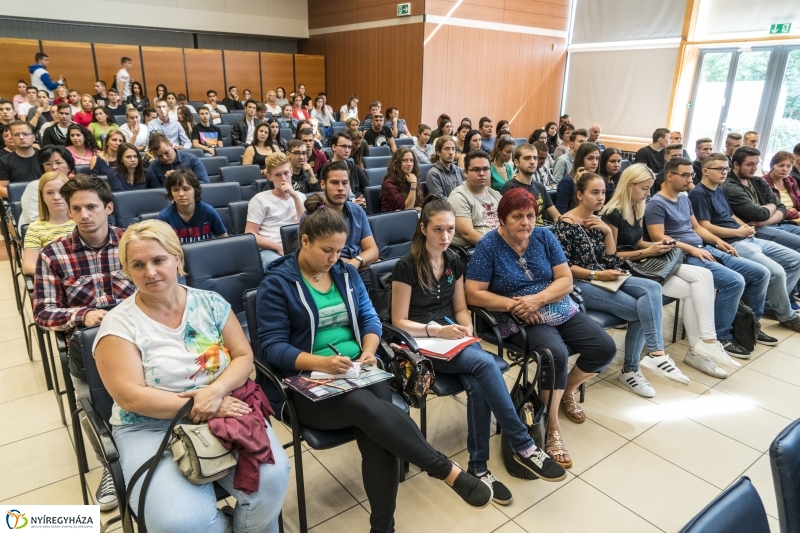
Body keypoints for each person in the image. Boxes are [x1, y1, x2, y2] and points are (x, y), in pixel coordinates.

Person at [257, 194, 496, 532]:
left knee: (379, 436)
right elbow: (272, 348)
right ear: (305, 241)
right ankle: (445, 471)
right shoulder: (277, 285)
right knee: (372, 412)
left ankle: (382, 528)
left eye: (340, 251)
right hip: (307, 384)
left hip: (358, 368)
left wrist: (369, 349)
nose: (334, 259)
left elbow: (370, 319)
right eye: (327, 251)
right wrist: (322, 364)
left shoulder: (344, 273)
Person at [94, 219, 289, 532]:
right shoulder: (119, 325)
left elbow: (243, 356)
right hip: (150, 426)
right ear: (128, 271)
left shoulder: (209, 304)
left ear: (177, 259)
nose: (151, 272)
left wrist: (215, 393)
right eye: (138, 265)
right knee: (180, 523)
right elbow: (130, 396)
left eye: (158, 260)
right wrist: (201, 404)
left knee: (272, 482)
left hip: (225, 406)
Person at [392, 195, 567, 498]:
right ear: (423, 229)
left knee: (477, 383)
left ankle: (479, 468)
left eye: (449, 229)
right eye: (437, 230)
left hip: (452, 339)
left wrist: (466, 330)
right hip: (420, 342)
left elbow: (461, 308)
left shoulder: (454, 260)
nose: (445, 237)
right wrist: (436, 330)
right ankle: (522, 443)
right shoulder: (406, 266)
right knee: (486, 365)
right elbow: (399, 321)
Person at [465, 188, 616, 468]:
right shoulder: (489, 245)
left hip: (553, 305)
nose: (526, 223)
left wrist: (539, 299)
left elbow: (565, 280)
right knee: (554, 354)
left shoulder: (545, 236)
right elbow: (473, 293)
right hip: (516, 314)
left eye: (531, 216)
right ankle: (552, 426)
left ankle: (564, 392)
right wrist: (515, 305)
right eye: (518, 216)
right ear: (502, 218)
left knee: (604, 348)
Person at [34, 175, 136, 511]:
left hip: (137, 337)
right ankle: (111, 464)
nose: (83, 214)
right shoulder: (54, 254)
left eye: (91, 206)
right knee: (91, 403)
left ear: (108, 207)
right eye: (75, 208)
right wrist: (82, 315)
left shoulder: (130, 243)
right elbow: (43, 313)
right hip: (86, 348)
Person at [555, 172, 688, 396]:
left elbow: (611, 259)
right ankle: (631, 369)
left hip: (606, 276)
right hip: (581, 283)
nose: (600, 198)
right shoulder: (565, 224)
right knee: (641, 310)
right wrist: (598, 275)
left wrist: (607, 232)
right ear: (579, 195)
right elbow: (564, 269)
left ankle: (656, 353)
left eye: (603, 192)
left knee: (653, 288)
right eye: (594, 193)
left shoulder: (597, 221)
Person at [603, 163, 731, 384]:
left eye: (649, 188)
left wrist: (660, 244)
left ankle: (702, 346)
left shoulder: (637, 206)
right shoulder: (613, 213)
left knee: (700, 281)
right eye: (644, 189)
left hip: (643, 261)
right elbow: (613, 256)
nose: (648, 194)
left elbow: (638, 241)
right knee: (698, 280)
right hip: (628, 267)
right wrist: (648, 250)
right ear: (630, 185)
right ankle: (703, 345)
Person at [645, 157, 773, 358]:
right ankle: (722, 336)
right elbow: (658, 237)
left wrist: (718, 241)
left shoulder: (684, 198)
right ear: (670, 176)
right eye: (685, 175)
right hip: (683, 255)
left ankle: (750, 326)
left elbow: (696, 228)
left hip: (703, 247)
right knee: (734, 282)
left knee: (760, 273)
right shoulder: (656, 203)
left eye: (691, 174)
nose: (689, 178)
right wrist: (692, 249)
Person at [691, 152, 800, 333]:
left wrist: (746, 229)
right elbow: (704, 226)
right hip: (731, 242)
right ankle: (787, 315)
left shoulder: (720, 188)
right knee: (776, 271)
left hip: (746, 236)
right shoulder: (699, 194)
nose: (724, 172)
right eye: (719, 169)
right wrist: (738, 232)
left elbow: (730, 215)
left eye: (725, 169)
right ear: (705, 170)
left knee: (796, 259)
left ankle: (772, 304)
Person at [722, 146, 800, 251]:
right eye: (750, 164)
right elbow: (758, 214)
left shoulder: (757, 181)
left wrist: (767, 219)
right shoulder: (730, 185)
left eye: (756, 164)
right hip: (755, 229)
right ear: (736, 164)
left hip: (772, 223)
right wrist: (772, 206)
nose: (754, 168)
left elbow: (781, 207)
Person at [245, 152, 304, 268]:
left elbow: (305, 225)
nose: (283, 179)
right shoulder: (259, 200)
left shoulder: (300, 197)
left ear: (291, 172)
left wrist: (295, 197)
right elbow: (250, 233)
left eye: (286, 173)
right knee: (287, 269)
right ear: (269, 177)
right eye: (277, 175)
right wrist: (278, 247)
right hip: (270, 250)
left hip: (299, 246)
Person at [22, 172, 75, 275]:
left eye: (61, 192)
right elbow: (28, 266)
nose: (56, 197)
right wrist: (58, 275)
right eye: (49, 193)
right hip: (55, 282)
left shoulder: (81, 220)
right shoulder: (35, 228)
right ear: (42, 197)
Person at [449, 150, 503, 248]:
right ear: (465, 172)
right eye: (476, 169)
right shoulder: (459, 196)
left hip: (498, 248)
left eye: (486, 169)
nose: (482, 173)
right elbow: (467, 234)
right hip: (474, 251)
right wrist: (498, 247)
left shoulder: (496, 195)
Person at [156, 169, 227, 243]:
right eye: (175, 190)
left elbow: (223, 238)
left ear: (195, 190)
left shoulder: (208, 211)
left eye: (186, 189)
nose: (181, 194)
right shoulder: (164, 217)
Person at [500, 144, 559, 226]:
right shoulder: (509, 188)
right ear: (516, 162)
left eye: (535, 158)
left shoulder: (540, 187)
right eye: (527, 158)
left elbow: (556, 216)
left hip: (544, 230)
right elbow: (509, 222)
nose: (532, 162)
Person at [19, 146, 75, 227]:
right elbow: (33, 218)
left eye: (58, 163)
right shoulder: (35, 186)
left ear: (69, 166)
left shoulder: (75, 186)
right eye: (48, 164)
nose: (54, 167)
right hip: (40, 231)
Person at [145, 132, 209, 187]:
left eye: (166, 152)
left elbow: (205, 183)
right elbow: (157, 192)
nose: (164, 157)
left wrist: (180, 178)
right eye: (159, 156)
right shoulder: (153, 166)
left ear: (171, 145)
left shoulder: (191, 159)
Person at [325, 131, 369, 208]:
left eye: (349, 147)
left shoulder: (354, 167)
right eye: (344, 146)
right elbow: (327, 197)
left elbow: (367, 187)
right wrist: (351, 203)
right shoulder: (326, 170)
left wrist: (362, 199)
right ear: (334, 147)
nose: (347, 150)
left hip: (359, 205)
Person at [555, 141, 600, 214]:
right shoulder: (567, 181)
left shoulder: (597, 181)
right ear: (581, 159)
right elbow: (561, 212)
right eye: (590, 158)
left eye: (597, 158)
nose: (595, 162)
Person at [0, 121, 40, 198]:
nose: (21, 137)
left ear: (33, 137)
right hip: (18, 202)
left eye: (25, 134)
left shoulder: (45, 157)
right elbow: (1, 188)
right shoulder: (4, 161)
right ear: (11, 138)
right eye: (16, 135)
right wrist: (27, 197)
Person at [763, 151, 800, 225]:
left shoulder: (791, 180)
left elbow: (799, 200)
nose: (785, 169)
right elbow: (771, 209)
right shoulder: (762, 182)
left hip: (795, 217)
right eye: (781, 166)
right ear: (772, 166)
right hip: (779, 220)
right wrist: (796, 213)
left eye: (789, 166)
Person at [381, 148, 422, 212]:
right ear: (397, 163)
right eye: (405, 160)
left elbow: (422, 205)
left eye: (411, 160)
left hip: (412, 216)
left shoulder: (413, 177)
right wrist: (413, 184)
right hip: (392, 219)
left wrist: (412, 208)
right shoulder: (389, 183)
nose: (409, 164)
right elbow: (407, 209)